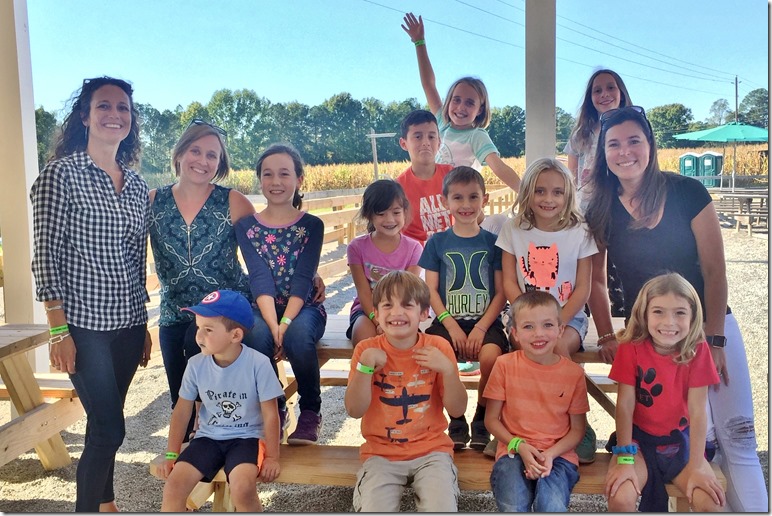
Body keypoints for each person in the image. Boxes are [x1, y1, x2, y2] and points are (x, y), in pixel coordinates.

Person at [584, 105, 767, 511]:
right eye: (614, 144)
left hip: (708, 324)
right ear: (603, 152)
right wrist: (609, 334)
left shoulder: (688, 192)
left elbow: (715, 270)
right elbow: (595, 280)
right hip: (650, 334)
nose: (625, 152)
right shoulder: (602, 207)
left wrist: (714, 340)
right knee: (687, 435)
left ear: (650, 144)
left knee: (738, 437)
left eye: (634, 140)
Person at [30, 76, 152, 512]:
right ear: (84, 116)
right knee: (109, 427)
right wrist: (58, 330)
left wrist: (143, 322)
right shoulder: (60, 176)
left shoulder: (136, 186)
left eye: (123, 108)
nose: (114, 114)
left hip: (128, 323)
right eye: (104, 106)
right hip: (83, 326)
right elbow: (44, 256)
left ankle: (106, 502)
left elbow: (136, 258)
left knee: (107, 421)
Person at [149, 119, 260, 441]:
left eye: (212, 155)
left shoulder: (234, 201)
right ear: (180, 154)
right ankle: (188, 456)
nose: (203, 160)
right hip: (175, 311)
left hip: (225, 313)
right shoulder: (153, 201)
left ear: (220, 164)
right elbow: (125, 253)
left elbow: (263, 256)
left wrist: (307, 279)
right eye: (195, 151)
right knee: (181, 400)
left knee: (224, 402)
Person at [495, 157, 598, 464]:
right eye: (540, 191)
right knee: (521, 353)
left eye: (557, 192)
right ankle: (516, 427)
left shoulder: (581, 231)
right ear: (527, 192)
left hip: (568, 315)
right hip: (522, 315)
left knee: (558, 350)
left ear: (568, 195)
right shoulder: (514, 228)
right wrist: (527, 321)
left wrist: (556, 324)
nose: (548, 199)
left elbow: (583, 287)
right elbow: (509, 281)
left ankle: (577, 427)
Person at [344, 270, 467, 512]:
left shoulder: (438, 348)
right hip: (381, 454)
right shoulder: (365, 351)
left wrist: (448, 371)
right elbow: (354, 410)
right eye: (387, 305)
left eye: (407, 305)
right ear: (376, 313)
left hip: (432, 451)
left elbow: (458, 409)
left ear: (424, 313)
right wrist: (364, 368)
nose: (397, 312)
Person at [604, 273, 725, 512]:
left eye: (680, 313)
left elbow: (698, 411)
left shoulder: (698, 350)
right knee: (620, 497)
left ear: (693, 316)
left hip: (680, 443)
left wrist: (697, 465)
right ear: (644, 314)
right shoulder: (630, 347)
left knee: (711, 503)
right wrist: (625, 460)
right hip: (636, 442)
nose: (669, 322)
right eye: (658, 311)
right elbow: (625, 406)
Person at [235, 143, 327, 445]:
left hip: (305, 307)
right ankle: (275, 406)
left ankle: (310, 411)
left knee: (298, 336)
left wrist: (285, 324)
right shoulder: (247, 227)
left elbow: (302, 278)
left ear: (299, 180)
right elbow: (259, 277)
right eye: (268, 174)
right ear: (259, 179)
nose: (276, 181)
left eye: (284, 174)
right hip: (263, 306)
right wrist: (274, 325)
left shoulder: (312, 225)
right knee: (256, 335)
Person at [159, 290, 284, 512]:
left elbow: (271, 414)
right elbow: (182, 411)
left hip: (247, 438)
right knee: (173, 487)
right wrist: (171, 453)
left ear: (235, 335)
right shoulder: (195, 364)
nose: (198, 336)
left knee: (242, 489)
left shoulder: (259, 363)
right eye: (198, 327)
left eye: (208, 330)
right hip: (207, 438)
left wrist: (273, 457)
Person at [418, 167, 508, 451]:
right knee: (439, 352)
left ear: (485, 199)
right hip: (448, 321)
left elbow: (502, 291)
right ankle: (455, 418)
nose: (466, 204)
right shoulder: (437, 243)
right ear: (445, 201)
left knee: (492, 357)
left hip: (486, 322)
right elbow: (431, 290)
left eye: (473, 197)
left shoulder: (494, 243)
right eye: (458, 197)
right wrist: (451, 325)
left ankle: (482, 416)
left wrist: (481, 327)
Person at [484, 291, 589, 512]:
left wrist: (549, 454)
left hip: (559, 455)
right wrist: (519, 445)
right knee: (513, 503)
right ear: (514, 333)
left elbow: (577, 430)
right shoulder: (504, 365)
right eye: (528, 326)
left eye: (547, 325)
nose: (538, 334)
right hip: (513, 450)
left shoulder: (573, 374)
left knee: (550, 506)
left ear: (561, 330)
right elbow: (491, 420)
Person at [401, 12, 521, 192]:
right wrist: (419, 43)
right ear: (449, 101)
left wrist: (526, 195)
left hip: (461, 201)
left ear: (480, 109)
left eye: (470, 103)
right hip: (437, 199)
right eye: (456, 100)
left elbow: (499, 167)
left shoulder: (476, 136)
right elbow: (428, 84)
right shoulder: (440, 123)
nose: (461, 107)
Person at [347, 179, 423, 345]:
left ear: (404, 212)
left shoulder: (414, 248)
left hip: (401, 309)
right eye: (381, 214)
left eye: (396, 212)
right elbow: (363, 292)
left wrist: (391, 319)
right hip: (367, 310)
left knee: (407, 341)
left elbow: (407, 292)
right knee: (364, 337)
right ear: (369, 215)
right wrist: (377, 320)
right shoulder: (356, 247)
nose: (389, 219)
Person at [564, 69, 632, 199]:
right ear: (590, 98)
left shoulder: (634, 131)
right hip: (586, 205)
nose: (604, 94)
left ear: (621, 93)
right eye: (597, 91)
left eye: (611, 87)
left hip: (621, 201)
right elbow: (571, 180)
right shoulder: (580, 135)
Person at [395, 109, 454, 244]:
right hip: (416, 252)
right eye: (418, 137)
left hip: (453, 246)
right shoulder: (397, 188)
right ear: (404, 143)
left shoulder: (452, 176)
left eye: (431, 137)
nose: (426, 142)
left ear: (439, 142)